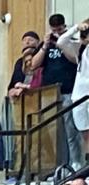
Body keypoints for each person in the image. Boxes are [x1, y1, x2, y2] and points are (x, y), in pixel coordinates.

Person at [30, 14, 83, 168]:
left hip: (68, 91)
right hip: (49, 94)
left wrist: (62, 43)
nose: (57, 32)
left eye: (59, 29)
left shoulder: (71, 40)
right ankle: (54, 165)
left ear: (64, 27)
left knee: (70, 130)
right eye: (54, 30)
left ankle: (75, 163)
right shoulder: (47, 43)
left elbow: (74, 59)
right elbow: (33, 65)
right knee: (52, 131)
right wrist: (45, 45)